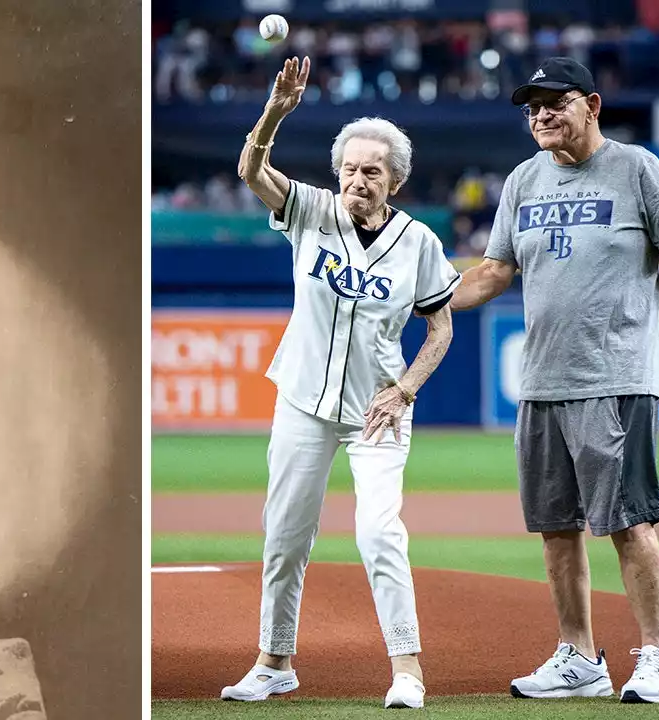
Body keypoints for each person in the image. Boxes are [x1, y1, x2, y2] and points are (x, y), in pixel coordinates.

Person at [449, 56, 659, 704]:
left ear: (591, 105)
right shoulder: (521, 180)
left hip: (613, 380)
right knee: (556, 527)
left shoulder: (635, 167)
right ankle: (578, 658)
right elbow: (493, 271)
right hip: (540, 381)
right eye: (531, 106)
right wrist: (428, 299)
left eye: (553, 102)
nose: (539, 115)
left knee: (629, 521)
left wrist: (645, 336)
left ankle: (658, 659)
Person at [223, 55, 461, 710]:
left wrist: (407, 387)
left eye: (372, 171)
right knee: (285, 537)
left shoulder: (420, 244)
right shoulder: (313, 212)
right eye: (350, 168)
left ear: (396, 180)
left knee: (379, 533)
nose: (358, 179)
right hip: (302, 400)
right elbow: (250, 171)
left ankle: (408, 671)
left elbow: (440, 328)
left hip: (376, 412)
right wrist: (275, 111)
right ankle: (274, 663)